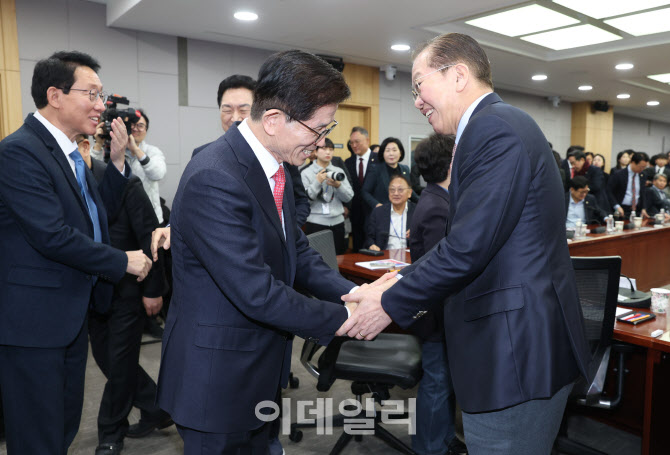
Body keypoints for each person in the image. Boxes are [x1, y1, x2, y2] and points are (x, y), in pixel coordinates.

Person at [340, 33, 591, 455]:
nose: (417, 100)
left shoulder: (493, 128)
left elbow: (467, 249)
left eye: (419, 86)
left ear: (458, 75)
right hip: (512, 350)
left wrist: (387, 305)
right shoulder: (495, 126)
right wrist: (391, 284)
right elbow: (467, 242)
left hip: (515, 355)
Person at [156, 50, 367, 454]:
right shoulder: (215, 177)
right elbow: (257, 291)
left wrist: (350, 293)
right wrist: (347, 317)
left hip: (258, 370)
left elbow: (298, 253)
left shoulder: (275, 165)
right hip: (216, 381)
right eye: (317, 130)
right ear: (273, 120)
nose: (322, 142)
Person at [0, 50, 152, 455]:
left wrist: (117, 163)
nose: (102, 107)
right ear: (55, 95)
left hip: (67, 316)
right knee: (37, 435)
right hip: (33, 323)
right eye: (93, 94)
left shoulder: (68, 151)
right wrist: (123, 260)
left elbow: (92, 215)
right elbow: (52, 234)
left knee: (62, 425)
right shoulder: (19, 152)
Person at [74, 134, 171, 455]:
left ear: (86, 148)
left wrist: (154, 290)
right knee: (109, 359)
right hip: (92, 292)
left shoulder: (124, 184)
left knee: (118, 361)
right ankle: (157, 406)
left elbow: (151, 238)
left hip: (129, 290)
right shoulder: (70, 187)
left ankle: (110, 430)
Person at [408, 133, 467, 455]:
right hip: (436, 318)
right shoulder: (436, 207)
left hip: (439, 314)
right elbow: (438, 272)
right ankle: (428, 447)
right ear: (450, 164)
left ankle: (442, 440)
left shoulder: (437, 199)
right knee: (436, 383)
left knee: (442, 383)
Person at [93, 109, 167, 225]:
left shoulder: (152, 152)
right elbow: (92, 173)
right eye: (132, 125)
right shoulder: (115, 151)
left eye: (140, 125)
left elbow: (158, 174)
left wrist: (136, 150)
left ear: (146, 130)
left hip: (148, 217)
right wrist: (98, 145)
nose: (135, 128)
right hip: (120, 219)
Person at [301, 137, 354, 254]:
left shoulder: (338, 171)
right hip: (316, 223)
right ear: (315, 151)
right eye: (324, 149)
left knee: (339, 260)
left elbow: (349, 197)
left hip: (338, 223)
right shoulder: (306, 172)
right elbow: (304, 202)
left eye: (331, 149)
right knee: (317, 261)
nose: (328, 152)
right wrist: (317, 182)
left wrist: (339, 186)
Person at [345, 126, 379, 251]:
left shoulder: (379, 159)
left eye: (357, 141)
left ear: (367, 140)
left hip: (375, 211)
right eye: (351, 142)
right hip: (356, 213)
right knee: (358, 248)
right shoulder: (348, 162)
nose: (354, 145)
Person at [362, 137, 417, 209]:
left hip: (401, 212)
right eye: (387, 151)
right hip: (381, 212)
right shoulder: (375, 169)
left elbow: (409, 191)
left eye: (394, 150)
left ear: (400, 153)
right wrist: (377, 205)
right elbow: (365, 192)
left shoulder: (405, 169)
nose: (391, 154)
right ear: (383, 153)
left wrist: (422, 201)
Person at [365, 175, 415, 251]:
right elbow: (369, 238)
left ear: (409, 193)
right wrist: (372, 245)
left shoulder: (418, 212)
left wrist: (417, 233)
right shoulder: (378, 212)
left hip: (410, 257)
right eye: (392, 190)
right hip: (384, 257)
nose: (396, 193)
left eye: (400, 190)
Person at [607, 151, 650, 218]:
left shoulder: (643, 175)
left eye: (644, 167)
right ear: (632, 162)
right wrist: (616, 206)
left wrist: (643, 208)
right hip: (621, 209)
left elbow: (643, 192)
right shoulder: (618, 174)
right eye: (641, 167)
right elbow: (609, 192)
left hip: (637, 210)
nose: (642, 169)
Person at [570, 151, 609, 215]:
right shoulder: (575, 172)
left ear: (582, 160)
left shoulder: (595, 170)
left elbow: (596, 186)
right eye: (571, 164)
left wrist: (581, 190)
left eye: (574, 163)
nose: (573, 166)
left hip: (597, 203)